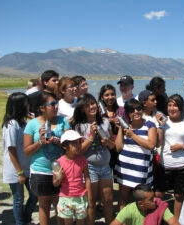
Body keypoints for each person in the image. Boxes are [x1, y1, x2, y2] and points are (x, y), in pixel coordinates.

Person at [24, 92, 70, 225]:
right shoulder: (32, 124)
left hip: (60, 169)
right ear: (42, 108)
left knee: (60, 205)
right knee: (44, 206)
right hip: (41, 171)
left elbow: (70, 145)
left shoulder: (63, 121)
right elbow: (27, 151)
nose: (56, 107)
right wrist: (40, 142)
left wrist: (56, 140)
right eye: (52, 104)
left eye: (56, 104)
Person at [71, 93, 115, 225]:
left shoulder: (106, 122)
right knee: (91, 202)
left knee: (108, 200)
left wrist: (108, 143)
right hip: (89, 168)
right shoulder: (79, 126)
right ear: (82, 109)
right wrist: (91, 135)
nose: (92, 106)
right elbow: (79, 151)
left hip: (105, 166)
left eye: (93, 103)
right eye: (87, 105)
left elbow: (113, 146)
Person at [155, 94, 184, 220]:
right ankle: (158, 218)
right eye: (170, 105)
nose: (172, 108)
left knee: (179, 196)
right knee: (158, 194)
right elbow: (158, 143)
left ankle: (176, 220)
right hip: (165, 164)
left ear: (181, 108)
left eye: (175, 105)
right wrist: (161, 126)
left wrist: (182, 147)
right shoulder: (163, 121)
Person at [2, 92, 38, 225]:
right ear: (19, 105)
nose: (28, 105)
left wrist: (31, 117)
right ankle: (20, 222)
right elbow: (11, 150)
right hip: (16, 169)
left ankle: (26, 217)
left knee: (34, 195)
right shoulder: (11, 125)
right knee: (18, 198)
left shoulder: (22, 122)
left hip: (26, 166)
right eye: (26, 103)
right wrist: (20, 172)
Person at [115, 99, 157, 210]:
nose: (136, 112)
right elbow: (118, 147)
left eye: (138, 108)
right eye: (131, 110)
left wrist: (133, 135)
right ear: (128, 114)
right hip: (124, 169)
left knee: (139, 203)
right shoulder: (126, 126)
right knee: (123, 200)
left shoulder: (150, 125)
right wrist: (120, 128)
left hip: (141, 171)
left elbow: (151, 145)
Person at [53, 130, 93, 225]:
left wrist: (90, 197)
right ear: (65, 146)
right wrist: (58, 178)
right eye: (75, 143)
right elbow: (55, 183)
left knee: (81, 221)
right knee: (68, 222)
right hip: (65, 198)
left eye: (79, 143)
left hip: (81, 197)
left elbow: (87, 178)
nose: (79, 145)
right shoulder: (58, 162)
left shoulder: (83, 160)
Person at [110, 184, 178, 225]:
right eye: (151, 199)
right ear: (141, 203)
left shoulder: (160, 206)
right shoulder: (129, 210)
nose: (155, 200)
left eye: (153, 196)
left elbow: (174, 222)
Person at [98, 84, 128, 172]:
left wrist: (121, 126)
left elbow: (127, 128)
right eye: (107, 95)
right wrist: (110, 121)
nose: (110, 97)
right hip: (104, 148)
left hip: (120, 148)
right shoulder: (99, 112)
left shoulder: (122, 110)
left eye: (112, 94)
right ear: (102, 97)